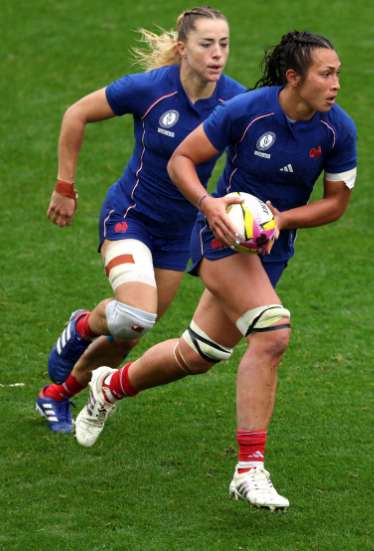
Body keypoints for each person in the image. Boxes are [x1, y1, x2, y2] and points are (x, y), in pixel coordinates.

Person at [72, 31, 357, 511]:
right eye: (326, 73)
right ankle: (250, 469)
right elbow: (183, 159)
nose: (335, 83)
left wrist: (281, 220)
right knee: (273, 333)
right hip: (220, 240)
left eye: (337, 73)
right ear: (294, 78)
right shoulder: (248, 110)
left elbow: (335, 205)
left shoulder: (338, 130)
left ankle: (109, 385)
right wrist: (210, 207)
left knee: (201, 352)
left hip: (270, 249)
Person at [36, 7, 246, 434]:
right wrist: (64, 186)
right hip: (131, 216)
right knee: (134, 312)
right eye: (207, 44)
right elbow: (76, 114)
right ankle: (80, 326)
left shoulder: (235, 101)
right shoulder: (149, 89)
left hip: (179, 234)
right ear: (183, 48)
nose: (217, 54)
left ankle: (56, 396)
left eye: (224, 44)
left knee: (130, 333)